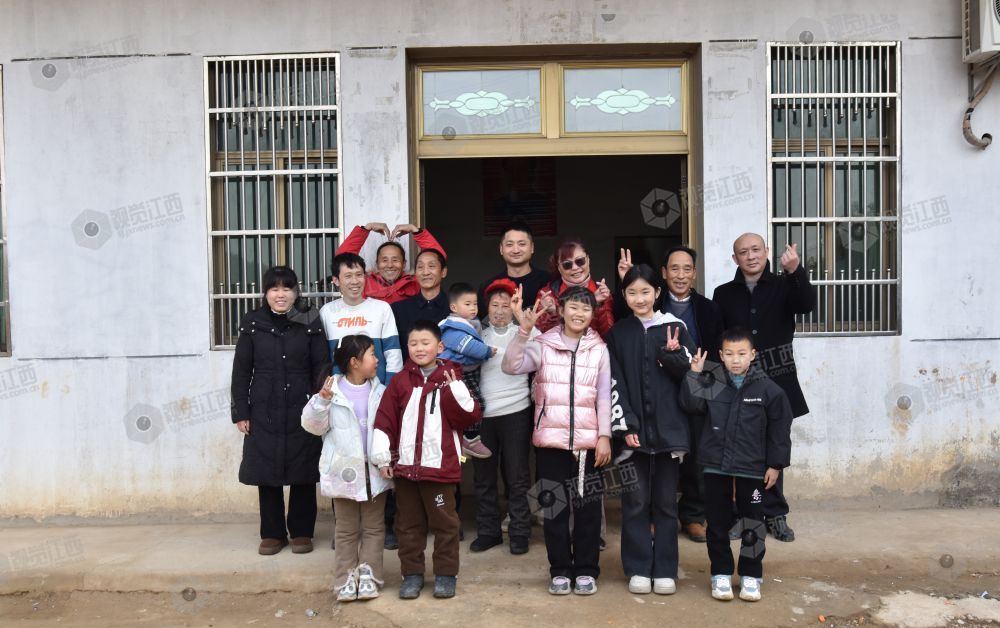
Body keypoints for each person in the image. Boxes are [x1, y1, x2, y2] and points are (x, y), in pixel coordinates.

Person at [503, 285, 612, 596]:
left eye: (586, 308)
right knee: (554, 509)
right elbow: (511, 366)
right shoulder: (543, 344)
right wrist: (523, 332)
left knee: (588, 511)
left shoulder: (599, 349)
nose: (579, 313)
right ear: (561, 311)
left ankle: (587, 570)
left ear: (593, 314)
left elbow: (604, 396)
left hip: (588, 445)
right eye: (573, 307)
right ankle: (560, 570)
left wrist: (604, 436)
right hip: (551, 441)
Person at [712, 234, 815, 542]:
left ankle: (775, 513)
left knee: (775, 445)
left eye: (756, 249)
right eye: (743, 252)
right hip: (736, 384)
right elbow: (719, 337)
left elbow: (807, 304)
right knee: (737, 447)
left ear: (766, 251)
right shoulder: (723, 293)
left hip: (777, 380)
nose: (751, 256)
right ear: (735, 259)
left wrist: (795, 271)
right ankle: (740, 513)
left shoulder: (784, 285)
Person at [618, 245, 724, 543]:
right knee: (657, 459)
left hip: (695, 385)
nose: (680, 274)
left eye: (686, 268)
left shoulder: (708, 308)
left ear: (694, 273)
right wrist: (627, 280)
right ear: (663, 274)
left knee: (694, 458)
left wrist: (705, 386)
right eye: (674, 268)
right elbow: (628, 326)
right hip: (657, 392)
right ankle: (656, 517)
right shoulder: (650, 301)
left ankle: (693, 515)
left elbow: (716, 351)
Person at [679, 327, 793, 602]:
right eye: (729, 354)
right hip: (715, 465)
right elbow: (691, 406)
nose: (736, 360)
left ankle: (751, 575)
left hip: (752, 469)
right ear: (721, 355)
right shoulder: (713, 382)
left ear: (753, 354)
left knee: (753, 523)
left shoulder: (768, 390)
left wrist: (775, 465)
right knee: (717, 524)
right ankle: (720, 573)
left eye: (742, 353)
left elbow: (779, 429)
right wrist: (694, 374)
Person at [371, 321, 482, 600]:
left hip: (439, 469)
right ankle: (412, 575)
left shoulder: (451, 378)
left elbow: (468, 417)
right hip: (406, 469)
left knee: (446, 524)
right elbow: (385, 420)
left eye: (425, 343)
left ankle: (446, 574)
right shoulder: (400, 382)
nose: (419, 348)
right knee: (408, 525)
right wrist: (383, 457)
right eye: (413, 344)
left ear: (439, 347)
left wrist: (455, 391)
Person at [607, 264, 694, 595]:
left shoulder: (675, 327)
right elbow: (613, 381)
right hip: (633, 434)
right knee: (635, 502)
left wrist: (673, 356)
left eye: (645, 291)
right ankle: (639, 568)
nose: (639, 298)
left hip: (669, 432)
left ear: (658, 292)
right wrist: (625, 423)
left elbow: (691, 377)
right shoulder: (619, 333)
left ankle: (666, 569)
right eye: (632, 292)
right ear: (624, 295)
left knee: (666, 504)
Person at [231, 266, 328, 555]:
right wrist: (241, 412)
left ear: (296, 292)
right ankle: (272, 533)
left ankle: (301, 532)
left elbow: (321, 366)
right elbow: (241, 371)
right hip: (264, 407)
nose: (281, 294)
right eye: (274, 288)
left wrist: (320, 404)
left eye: (287, 288)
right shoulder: (253, 322)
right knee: (266, 470)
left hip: (303, 405)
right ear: (266, 293)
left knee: (304, 469)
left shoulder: (309, 318)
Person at [301, 335, 390, 602]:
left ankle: (369, 576)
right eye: (372, 354)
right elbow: (312, 427)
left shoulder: (380, 392)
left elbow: (388, 430)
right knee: (346, 530)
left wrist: (387, 461)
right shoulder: (332, 392)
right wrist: (322, 402)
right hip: (344, 473)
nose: (377, 360)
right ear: (354, 362)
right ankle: (345, 579)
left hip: (373, 472)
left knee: (374, 528)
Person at [470, 278, 538, 556]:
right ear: (486, 307)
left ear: (515, 306)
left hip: (516, 412)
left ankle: (520, 532)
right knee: (484, 477)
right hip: (483, 415)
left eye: (506, 305)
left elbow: (540, 350)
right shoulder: (478, 334)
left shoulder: (527, 331)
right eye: (494, 305)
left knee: (517, 476)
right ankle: (488, 531)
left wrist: (524, 321)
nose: (499, 311)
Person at [320, 252, 403, 384]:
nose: (355, 281)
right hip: (338, 391)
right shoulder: (326, 312)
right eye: (348, 276)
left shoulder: (382, 308)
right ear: (336, 280)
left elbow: (393, 352)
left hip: (377, 389)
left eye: (359, 275)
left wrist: (390, 388)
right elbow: (322, 358)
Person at [439, 282, 496, 459]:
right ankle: (469, 439)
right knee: (476, 404)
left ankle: (464, 440)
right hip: (458, 374)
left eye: (475, 303)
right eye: (468, 304)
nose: (473, 308)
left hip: (468, 371)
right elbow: (469, 347)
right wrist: (487, 351)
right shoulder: (452, 327)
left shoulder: (469, 323)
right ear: (453, 307)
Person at [336, 222, 447, 304]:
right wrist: (366, 229)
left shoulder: (415, 283)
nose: (390, 265)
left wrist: (416, 231)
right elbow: (342, 261)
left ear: (404, 264)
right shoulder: (364, 282)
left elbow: (438, 258)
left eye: (395, 260)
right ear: (377, 264)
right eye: (384, 260)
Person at [534, 237, 615, 338]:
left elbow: (608, 335)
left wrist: (597, 304)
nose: (575, 268)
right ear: (559, 268)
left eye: (580, 261)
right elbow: (541, 336)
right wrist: (552, 313)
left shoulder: (602, 293)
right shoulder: (546, 294)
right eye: (567, 265)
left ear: (588, 260)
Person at [477, 221, 551, 315]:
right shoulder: (488, 287)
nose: (516, 250)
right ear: (501, 249)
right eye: (509, 244)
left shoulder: (549, 281)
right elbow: (483, 321)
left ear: (532, 247)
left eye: (522, 244)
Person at [392, 248, 450, 362]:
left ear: (443, 272)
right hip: (408, 372)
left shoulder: (456, 308)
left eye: (431, 266)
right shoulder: (398, 309)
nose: (425, 272)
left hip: (448, 372)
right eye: (420, 267)